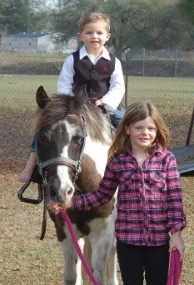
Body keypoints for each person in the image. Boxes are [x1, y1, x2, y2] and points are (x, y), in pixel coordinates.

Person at [49, 101, 186, 285]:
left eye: (150, 128)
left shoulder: (167, 160)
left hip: (160, 244)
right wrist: (71, 203)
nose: (144, 133)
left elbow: (175, 200)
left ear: (157, 130)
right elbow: (102, 196)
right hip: (129, 242)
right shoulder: (118, 162)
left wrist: (176, 234)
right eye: (138, 128)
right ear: (128, 130)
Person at [19, 11, 125, 183]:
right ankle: (30, 167)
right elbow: (64, 84)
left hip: (103, 106)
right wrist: (73, 102)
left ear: (107, 36)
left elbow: (118, 86)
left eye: (99, 33)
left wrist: (104, 102)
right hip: (75, 106)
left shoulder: (114, 62)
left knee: (128, 124)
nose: (94, 36)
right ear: (80, 35)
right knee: (44, 127)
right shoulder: (72, 60)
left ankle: (131, 166)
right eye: (89, 32)